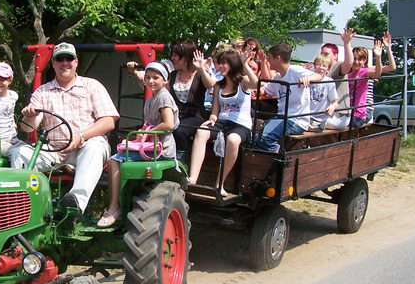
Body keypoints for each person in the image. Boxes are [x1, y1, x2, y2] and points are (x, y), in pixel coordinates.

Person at [15, 42, 119, 215]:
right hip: (53, 152)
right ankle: (22, 210)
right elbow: (28, 129)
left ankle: (75, 204)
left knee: (95, 146)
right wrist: (30, 116)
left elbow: (108, 121)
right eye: (59, 59)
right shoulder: (42, 92)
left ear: (76, 62)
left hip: (84, 148)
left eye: (68, 58)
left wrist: (81, 136)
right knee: (19, 153)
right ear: (53, 63)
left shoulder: (92, 86)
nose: (65, 63)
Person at [97, 62, 178, 227]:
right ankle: (116, 203)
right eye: (148, 78)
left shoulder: (163, 96)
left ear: (165, 80)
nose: (151, 81)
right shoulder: (152, 98)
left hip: (161, 148)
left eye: (156, 78)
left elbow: (168, 124)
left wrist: (146, 133)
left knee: (115, 160)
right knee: (116, 158)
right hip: (151, 145)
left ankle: (114, 208)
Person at [187, 49, 260, 196]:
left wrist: (244, 63)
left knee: (232, 140)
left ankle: (220, 184)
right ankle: (192, 179)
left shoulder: (242, 83)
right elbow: (215, 110)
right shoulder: (218, 85)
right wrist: (212, 119)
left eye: (224, 63)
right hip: (222, 122)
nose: (220, 66)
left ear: (233, 64)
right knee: (201, 132)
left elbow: (256, 83)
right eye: (219, 63)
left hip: (241, 125)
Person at [125, 39, 216, 159]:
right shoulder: (173, 75)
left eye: (176, 55)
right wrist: (134, 72)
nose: (172, 58)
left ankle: (180, 160)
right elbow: (154, 84)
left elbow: (210, 84)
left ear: (186, 57)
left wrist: (201, 68)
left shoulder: (199, 74)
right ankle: (154, 154)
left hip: (194, 116)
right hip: (176, 114)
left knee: (178, 130)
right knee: (157, 125)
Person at [255, 42, 324, 153]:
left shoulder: (294, 71)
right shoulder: (278, 77)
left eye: (270, 58)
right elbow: (264, 90)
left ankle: (281, 159)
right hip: (282, 117)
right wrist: (253, 89)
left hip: (296, 120)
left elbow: (319, 76)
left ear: (278, 58)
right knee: (256, 136)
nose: (268, 61)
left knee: (264, 138)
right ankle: (273, 159)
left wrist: (309, 78)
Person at [327, 33, 396, 129]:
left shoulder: (365, 71)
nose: (356, 62)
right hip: (348, 111)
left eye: (359, 59)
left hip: (358, 114)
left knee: (334, 124)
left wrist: (382, 53)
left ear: (364, 60)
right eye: (354, 58)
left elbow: (380, 72)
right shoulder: (347, 72)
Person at [306, 54, 340, 131]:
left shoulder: (329, 82)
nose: (321, 68)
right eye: (318, 65)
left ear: (328, 69)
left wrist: (332, 107)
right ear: (314, 66)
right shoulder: (309, 78)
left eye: (324, 66)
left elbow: (335, 101)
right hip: (305, 116)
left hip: (319, 120)